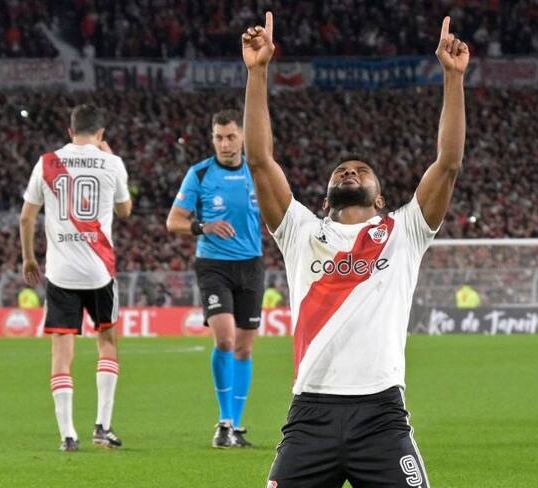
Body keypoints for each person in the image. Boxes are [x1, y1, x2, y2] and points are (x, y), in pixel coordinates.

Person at [242, 13, 468, 487]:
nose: (349, 173)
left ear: (381, 198)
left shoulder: (405, 230)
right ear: (325, 198)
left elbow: (447, 163)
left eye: (360, 170)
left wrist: (452, 79)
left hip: (382, 414)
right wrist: (257, 72)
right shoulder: (299, 231)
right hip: (310, 414)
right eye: (341, 170)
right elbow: (260, 160)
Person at [19, 104, 132, 452]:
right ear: (100, 134)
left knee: (61, 354)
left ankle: (68, 435)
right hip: (100, 271)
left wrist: (28, 257)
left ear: (70, 132)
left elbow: (26, 218)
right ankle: (103, 426)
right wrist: (109, 157)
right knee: (108, 344)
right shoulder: (112, 163)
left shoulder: (47, 162)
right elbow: (125, 211)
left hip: (61, 273)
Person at [166, 109, 264, 448]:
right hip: (213, 265)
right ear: (212, 139)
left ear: (242, 138)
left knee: (245, 347)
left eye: (231, 136)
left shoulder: (259, 171)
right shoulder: (201, 173)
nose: (225, 143)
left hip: (251, 265)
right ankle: (223, 422)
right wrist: (202, 226)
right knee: (224, 339)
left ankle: (235, 427)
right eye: (219, 137)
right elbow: (173, 220)